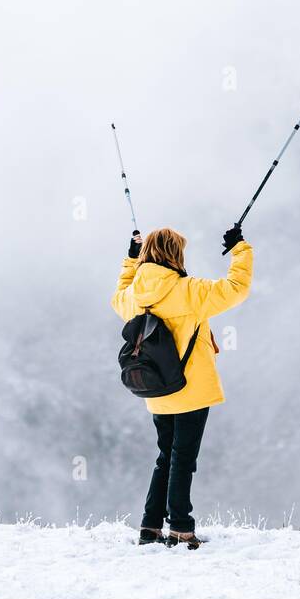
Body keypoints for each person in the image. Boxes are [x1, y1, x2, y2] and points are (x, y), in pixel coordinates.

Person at [111, 224, 253, 548]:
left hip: (157, 391)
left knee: (166, 456)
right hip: (191, 389)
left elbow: (118, 298)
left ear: (147, 253)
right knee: (182, 459)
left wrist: (130, 261)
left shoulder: (135, 296)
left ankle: (150, 526)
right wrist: (239, 249)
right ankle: (181, 527)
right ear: (176, 254)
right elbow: (236, 288)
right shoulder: (189, 291)